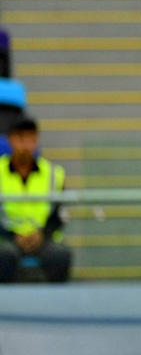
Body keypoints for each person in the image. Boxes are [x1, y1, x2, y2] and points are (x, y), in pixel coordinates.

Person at [0, 117, 71, 283]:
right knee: (4, 256)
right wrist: (12, 235)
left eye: (31, 139)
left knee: (60, 255)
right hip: (7, 238)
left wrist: (42, 234)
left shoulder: (54, 173)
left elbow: (60, 214)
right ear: (10, 140)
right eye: (21, 139)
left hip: (42, 238)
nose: (26, 146)